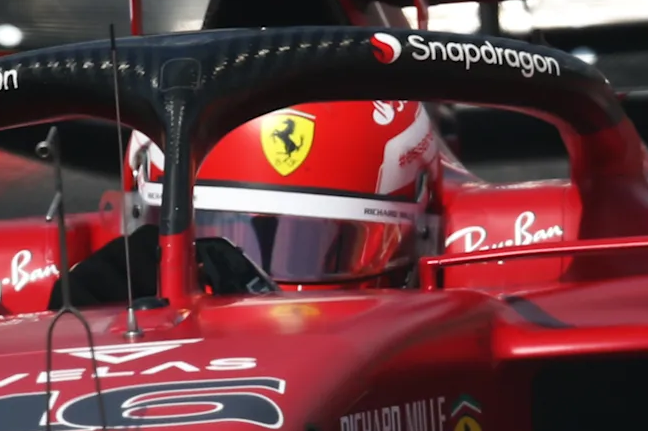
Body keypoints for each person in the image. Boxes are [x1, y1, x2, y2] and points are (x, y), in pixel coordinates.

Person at [63, 100, 448, 305]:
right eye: (210, 240)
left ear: (419, 239)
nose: (249, 283)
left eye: (315, 248)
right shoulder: (103, 291)